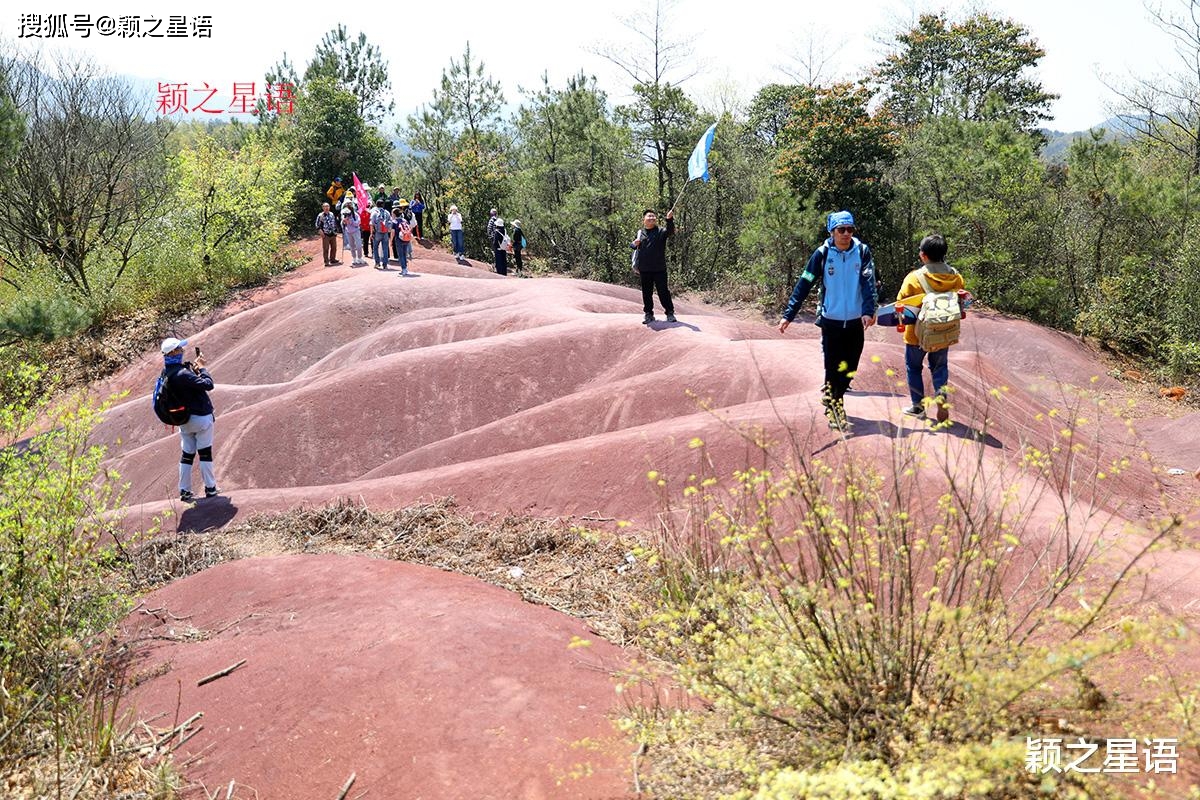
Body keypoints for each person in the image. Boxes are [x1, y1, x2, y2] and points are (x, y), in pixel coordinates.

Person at [777, 210, 878, 431]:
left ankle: (832, 396)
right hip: (831, 321)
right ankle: (835, 408)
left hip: (855, 321)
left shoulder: (862, 252)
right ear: (832, 231)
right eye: (841, 230)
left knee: (850, 367)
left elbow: (868, 283)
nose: (846, 234)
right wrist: (789, 314)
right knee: (833, 367)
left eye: (850, 229)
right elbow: (804, 284)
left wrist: (868, 310)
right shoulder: (822, 254)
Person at [897, 233, 964, 423]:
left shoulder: (914, 278)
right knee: (940, 367)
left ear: (923, 255)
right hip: (944, 331)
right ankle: (941, 399)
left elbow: (901, 303)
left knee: (913, 368)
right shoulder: (955, 276)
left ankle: (918, 407)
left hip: (916, 335)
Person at [160, 337, 219, 502]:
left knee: (187, 455)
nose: (182, 351)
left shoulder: (166, 373)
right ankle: (210, 488)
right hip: (201, 418)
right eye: (179, 349)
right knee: (205, 453)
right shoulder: (183, 374)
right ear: (173, 352)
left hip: (183, 420)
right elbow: (208, 384)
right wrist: (203, 368)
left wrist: (194, 370)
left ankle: (184, 491)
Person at [631, 209, 676, 325]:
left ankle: (669, 313)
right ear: (644, 219)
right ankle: (648, 314)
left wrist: (669, 219)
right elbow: (633, 246)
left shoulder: (661, 231)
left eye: (653, 216)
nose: (651, 218)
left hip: (659, 269)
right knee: (647, 293)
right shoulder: (640, 233)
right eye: (649, 216)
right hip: (644, 269)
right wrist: (633, 244)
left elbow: (670, 231)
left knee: (663, 292)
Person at [370, 198, 392, 268]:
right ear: (383, 205)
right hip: (385, 233)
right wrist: (388, 230)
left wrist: (371, 233)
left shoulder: (374, 213)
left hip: (377, 233)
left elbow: (371, 224)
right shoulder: (387, 212)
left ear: (376, 205)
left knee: (375, 248)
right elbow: (390, 222)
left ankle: (377, 263)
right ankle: (385, 264)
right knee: (385, 248)